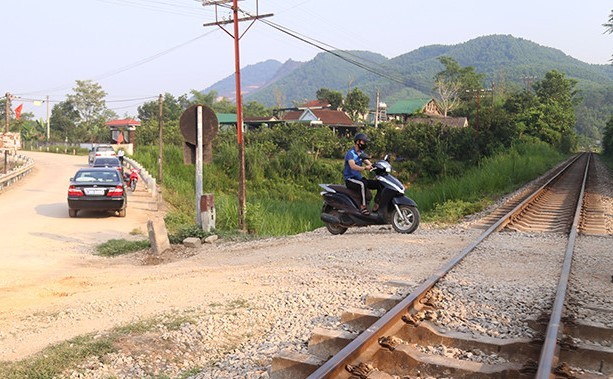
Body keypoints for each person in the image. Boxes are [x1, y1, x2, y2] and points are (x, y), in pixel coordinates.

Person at [343, 132, 381, 215]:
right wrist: (364, 168)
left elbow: (367, 162)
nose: (365, 144)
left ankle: (376, 205)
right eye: (364, 142)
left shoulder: (360, 153)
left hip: (358, 178)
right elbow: (352, 166)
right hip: (350, 179)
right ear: (358, 142)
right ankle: (362, 207)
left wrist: (376, 166)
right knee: (362, 184)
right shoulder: (351, 153)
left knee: (379, 184)